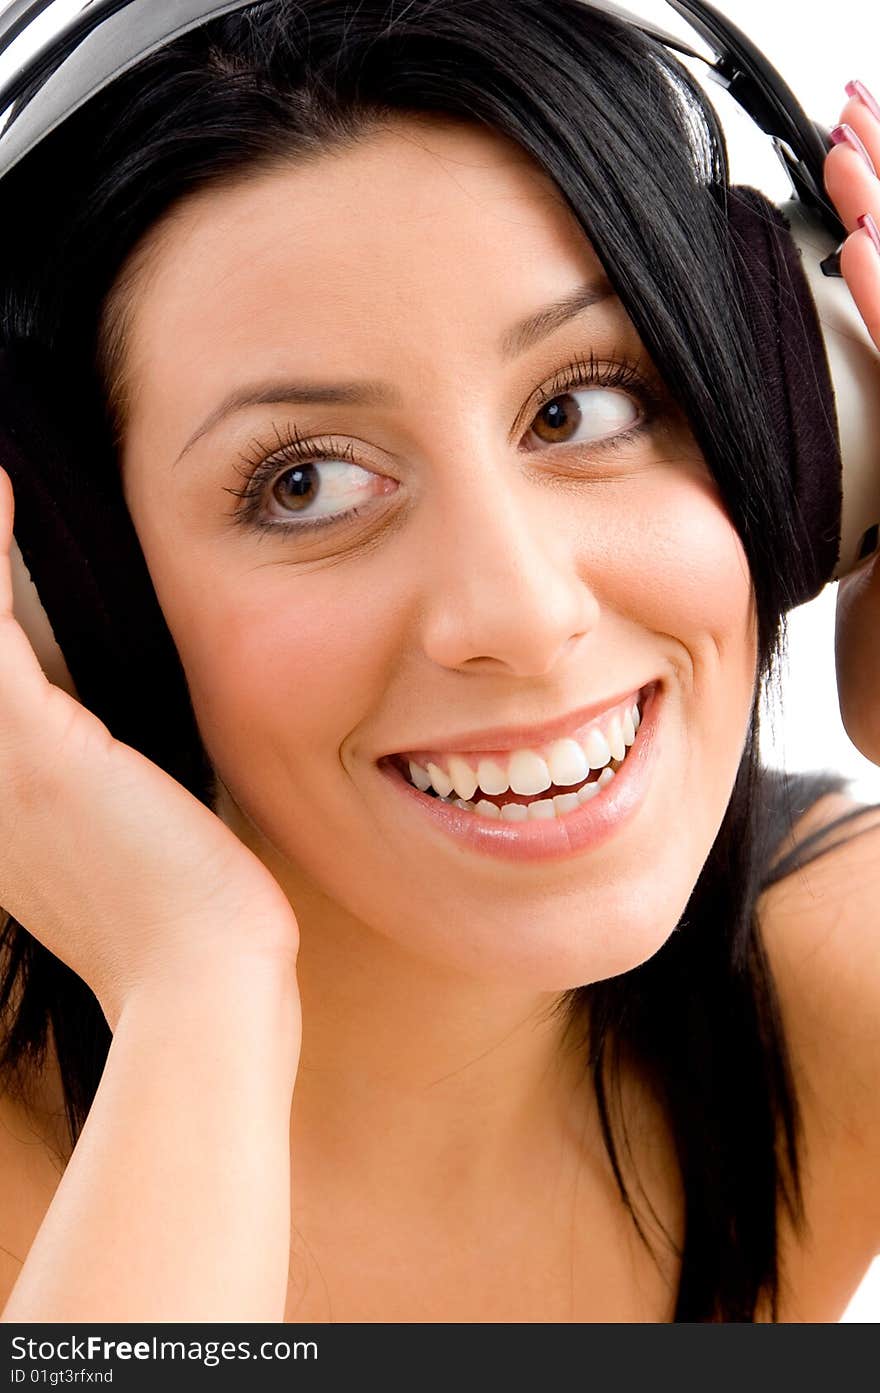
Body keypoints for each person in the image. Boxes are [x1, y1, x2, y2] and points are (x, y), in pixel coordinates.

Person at [0, 0, 878, 1324]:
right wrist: (198, 991)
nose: (520, 614)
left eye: (585, 404)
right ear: (71, 596)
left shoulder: (832, 990)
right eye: (304, 482)